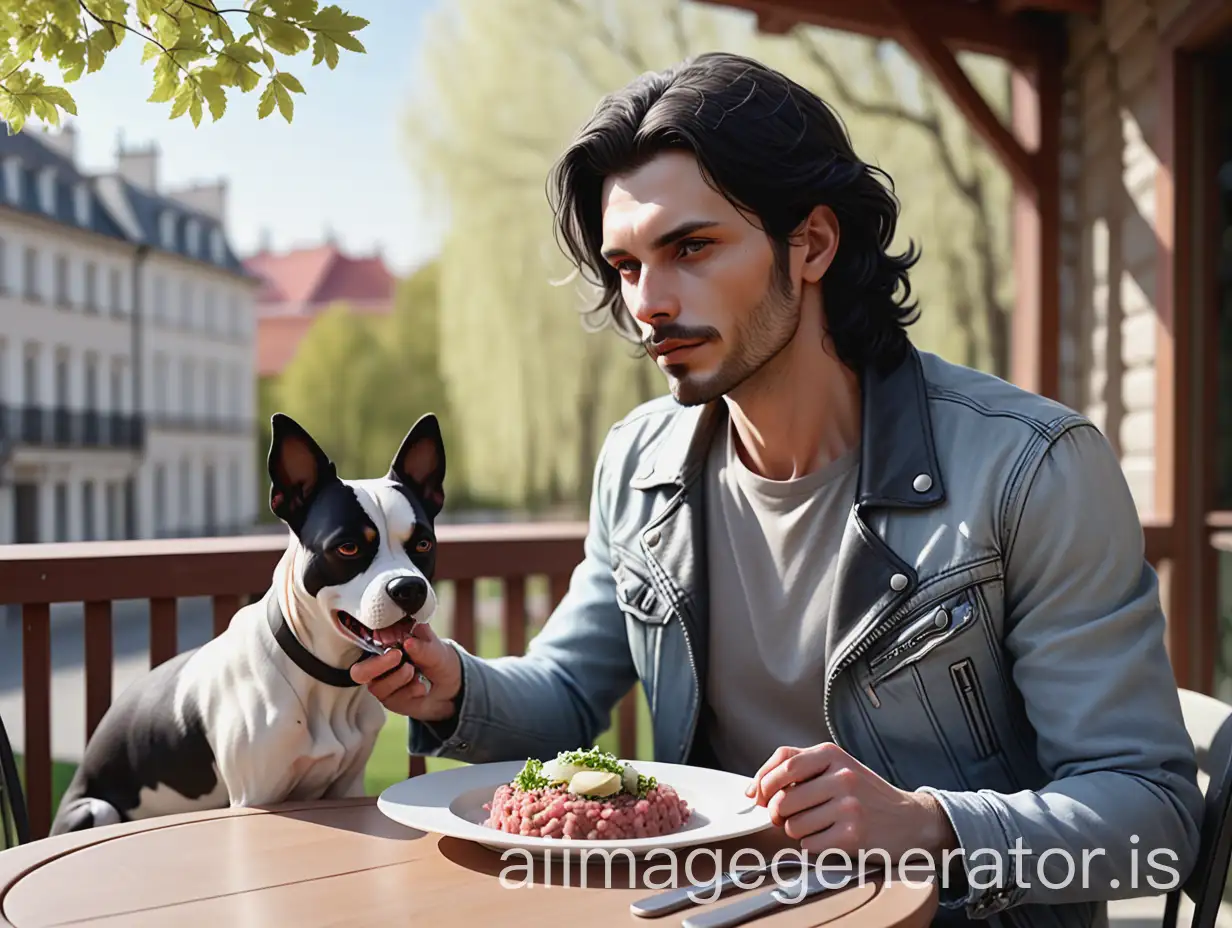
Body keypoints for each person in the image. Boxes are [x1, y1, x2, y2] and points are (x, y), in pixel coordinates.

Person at [351, 52, 1202, 926]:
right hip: (711, 911)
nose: (647, 301)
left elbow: (1155, 818)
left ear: (814, 244)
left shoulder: (1035, 468)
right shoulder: (638, 464)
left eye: (690, 247)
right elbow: (568, 691)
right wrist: (451, 686)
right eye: (628, 265)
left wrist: (929, 825)